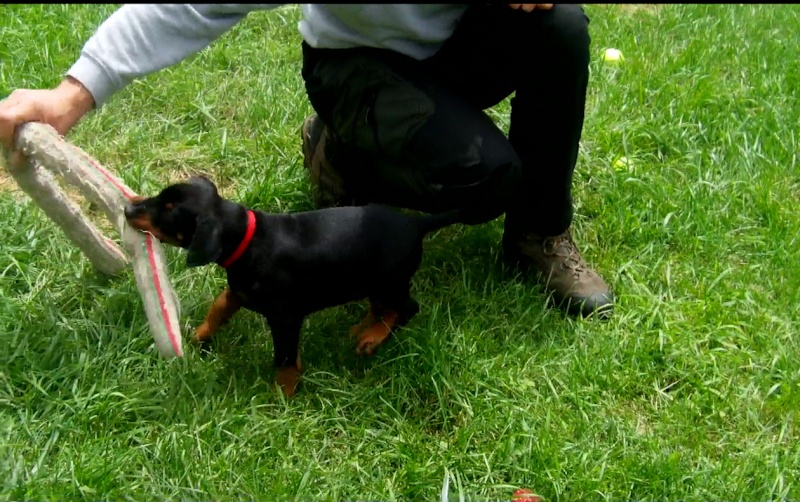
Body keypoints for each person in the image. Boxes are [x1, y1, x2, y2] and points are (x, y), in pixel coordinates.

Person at [0, 4, 614, 318]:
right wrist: (74, 91)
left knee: (559, 24)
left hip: (456, 45)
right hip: (357, 63)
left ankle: (539, 234)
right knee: (484, 178)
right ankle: (339, 150)